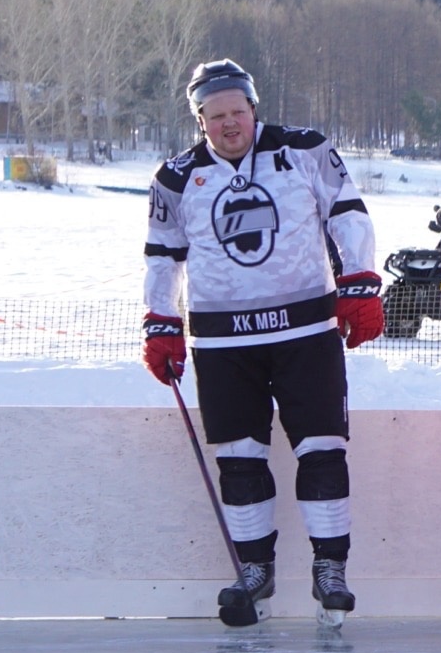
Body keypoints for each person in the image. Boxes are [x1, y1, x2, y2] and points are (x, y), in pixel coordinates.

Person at [142, 59, 382, 622]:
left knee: (322, 452)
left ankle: (331, 569)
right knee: (240, 460)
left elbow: (348, 213)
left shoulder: (303, 150)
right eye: (216, 115)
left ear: (254, 108)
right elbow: (162, 258)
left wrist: (360, 282)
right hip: (223, 344)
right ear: (200, 119)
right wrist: (160, 325)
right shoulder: (175, 178)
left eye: (238, 111)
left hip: (306, 333)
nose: (230, 124)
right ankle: (255, 570)